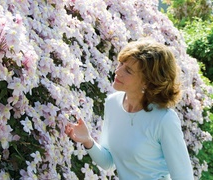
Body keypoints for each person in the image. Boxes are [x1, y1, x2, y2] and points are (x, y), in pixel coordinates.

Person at [65, 38, 194, 180]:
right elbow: (108, 161)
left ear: (147, 81)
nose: (118, 71)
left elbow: (184, 176)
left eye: (128, 70)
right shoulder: (112, 103)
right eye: (121, 63)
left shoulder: (164, 119)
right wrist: (87, 140)